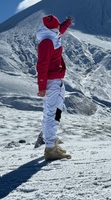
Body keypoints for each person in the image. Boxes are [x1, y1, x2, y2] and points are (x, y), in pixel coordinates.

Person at [35, 14, 73, 161]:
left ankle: (51, 140)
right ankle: (50, 148)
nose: (59, 28)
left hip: (56, 82)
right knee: (52, 113)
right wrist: (42, 86)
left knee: (55, 111)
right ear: (52, 27)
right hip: (52, 83)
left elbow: (60, 31)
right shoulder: (47, 42)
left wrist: (67, 23)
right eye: (57, 25)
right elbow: (42, 65)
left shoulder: (52, 35)